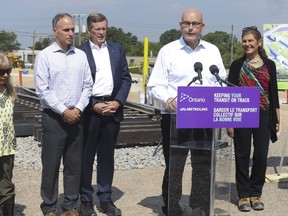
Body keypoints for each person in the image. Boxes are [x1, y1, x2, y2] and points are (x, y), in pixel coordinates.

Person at [147, 8, 226, 215]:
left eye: (195, 24)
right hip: (175, 118)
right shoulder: (168, 51)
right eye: (186, 24)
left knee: (202, 166)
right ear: (180, 25)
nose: (191, 28)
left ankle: (199, 206)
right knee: (175, 166)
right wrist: (168, 99)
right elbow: (154, 85)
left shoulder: (213, 51)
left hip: (204, 118)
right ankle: (172, 207)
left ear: (202, 27)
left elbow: (221, 84)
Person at [34, 13, 93, 216]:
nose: (71, 34)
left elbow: (88, 86)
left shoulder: (81, 56)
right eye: (66, 30)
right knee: (50, 165)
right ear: (55, 31)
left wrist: (77, 109)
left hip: (77, 117)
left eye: (72, 30)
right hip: (54, 119)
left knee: (74, 165)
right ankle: (49, 206)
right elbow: (43, 90)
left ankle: (70, 206)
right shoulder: (45, 56)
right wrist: (63, 111)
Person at [78, 12, 132, 216]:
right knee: (86, 155)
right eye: (97, 29)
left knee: (107, 157)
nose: (101, 32)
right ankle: (85, 199)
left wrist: (117, 101)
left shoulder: (117, 50)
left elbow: (126, 78)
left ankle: (105, 198)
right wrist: (93, 104)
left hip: (112, 108)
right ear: (89, 30)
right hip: (90, 110)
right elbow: (77, 83)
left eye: (104, 29)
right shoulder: (80, 52)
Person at [227, 26, 280, 212]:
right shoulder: (236, 65)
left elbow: (273, 92)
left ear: (259, 43)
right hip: (241, 115)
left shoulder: (270, 65)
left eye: (251, 41)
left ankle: (255, 193)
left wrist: (276, 118)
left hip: (264, 116)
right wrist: (230, 123)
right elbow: (230, 94)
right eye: (244, 41)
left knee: (260, 156)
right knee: (241, 156)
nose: (247, 44)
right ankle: (243, 196)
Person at [0, 52, 17, 216]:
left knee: (6, 185)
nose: (5, 75)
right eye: (0, 72)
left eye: (7, 71)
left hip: (6, 148)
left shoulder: (10, 93)